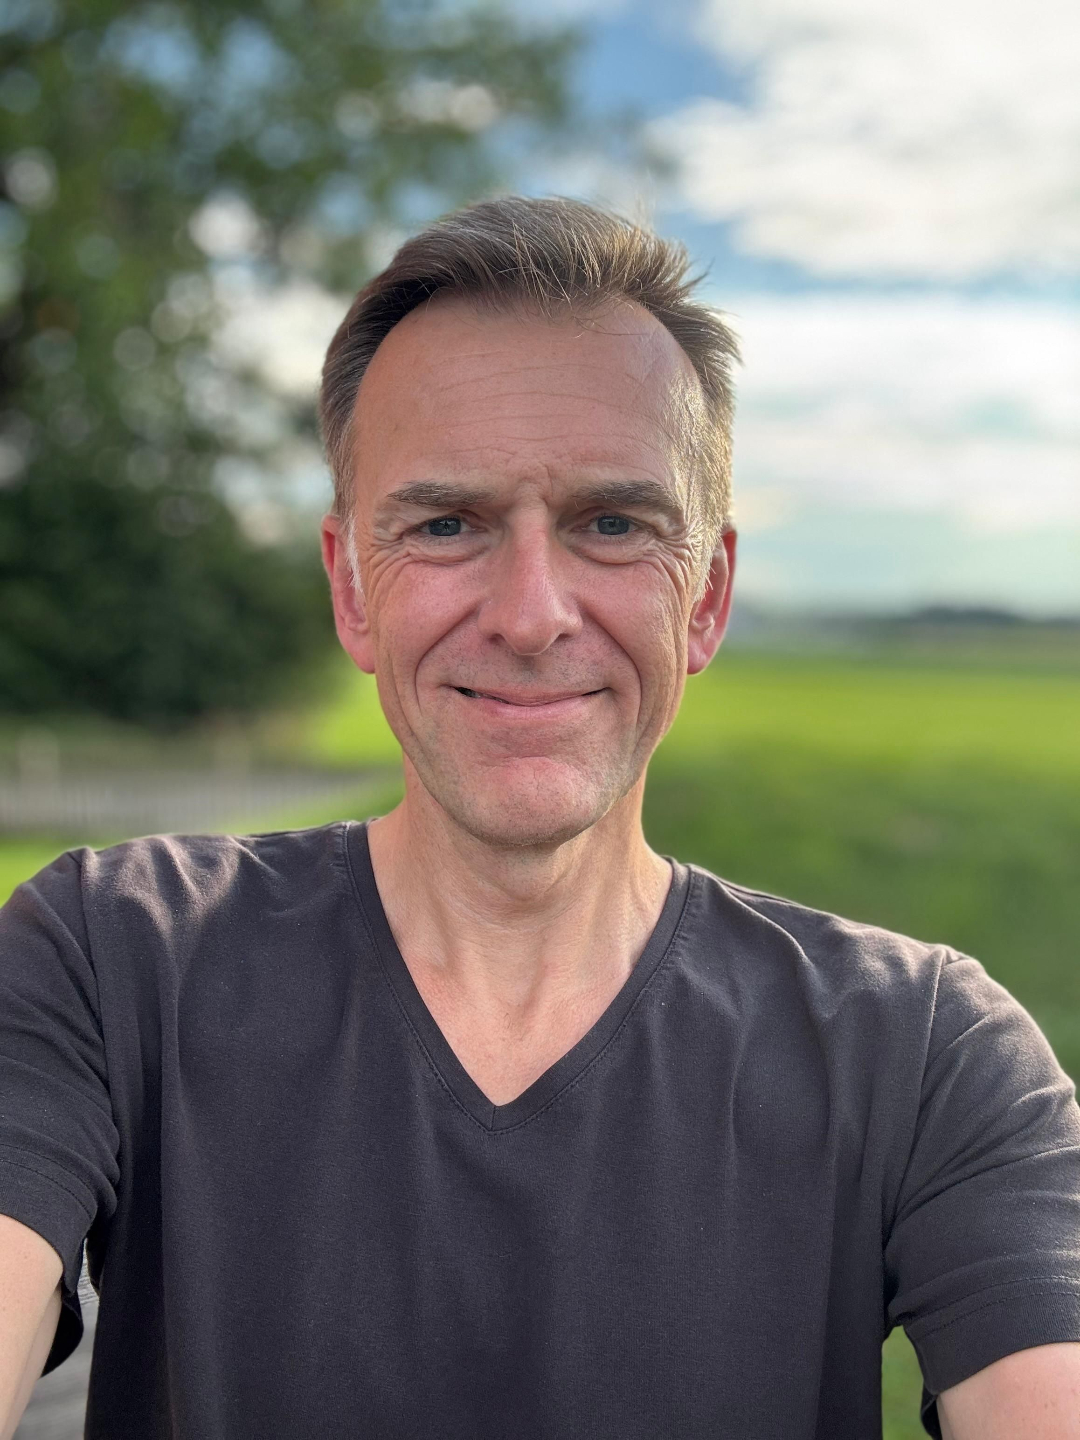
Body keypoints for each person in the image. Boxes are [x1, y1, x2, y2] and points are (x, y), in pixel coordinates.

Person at [1, 197, 1079, 1440]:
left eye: (612, 525)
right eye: (445, 525)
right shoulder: (109, 958)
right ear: (352, 589)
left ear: (706, 598)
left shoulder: (927, 1054)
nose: (530, 615)